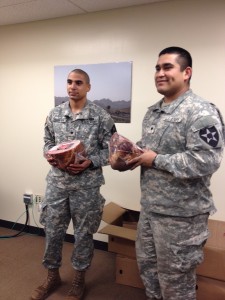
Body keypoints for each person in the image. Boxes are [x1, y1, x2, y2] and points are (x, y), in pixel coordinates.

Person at [127, 47, 225, 300]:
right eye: (157, 68)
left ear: (186, 72)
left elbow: (207, 160)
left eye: (167, 67)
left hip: (182, 218)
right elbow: (149, 150)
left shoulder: (201, 111)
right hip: (151, 209)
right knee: (149, 272)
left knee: (176, 284)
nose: (160, 73)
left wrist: (156, 160)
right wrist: (128, 157)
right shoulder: (154, 111)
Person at [31, 69, 116, 300]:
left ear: (88, 87)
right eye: (69, 82)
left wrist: (90, 162)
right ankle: (52, 276)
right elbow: (47, 141)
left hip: (86, 187)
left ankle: (79, 280)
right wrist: (49, 154)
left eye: (78, 82)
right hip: (57, 184)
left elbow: (113, 151)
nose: (72, 86)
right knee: (52, 231)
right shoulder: (55, 114)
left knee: (83, 234)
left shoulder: (101, 117)